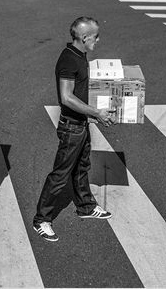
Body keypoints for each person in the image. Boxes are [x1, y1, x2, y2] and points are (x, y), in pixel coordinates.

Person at [32, 16, 115, 242]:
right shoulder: (69, 60)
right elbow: (66, 97)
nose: (98, 40)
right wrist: (96, 112)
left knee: (81, 168)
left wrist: (92, 113)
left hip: (80, 124)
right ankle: (41, 219)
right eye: (95, 36)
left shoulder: (80, 56)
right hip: (71, 127)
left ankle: (86, 206)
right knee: (60, 174)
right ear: (84, 37)